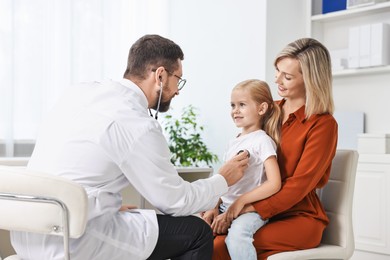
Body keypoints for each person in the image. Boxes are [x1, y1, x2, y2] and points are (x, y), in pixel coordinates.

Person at [10, 34, 250, 260]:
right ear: (160, 75)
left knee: (146, 223)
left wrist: (104, 206)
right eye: (178, 80)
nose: (177, 90)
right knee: (196, 232)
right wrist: (222, 180)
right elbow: (174, 201)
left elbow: (72, 168)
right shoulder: (136, 122)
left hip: (30, 231)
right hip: (74, 241)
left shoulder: (77, 93)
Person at [212, 37, 338, 259]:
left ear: (310, 80)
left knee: (221, 246)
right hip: (254, 211)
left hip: (298, 217)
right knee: (204, 237)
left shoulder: (322, 125)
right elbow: (243, 166)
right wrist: (217, 203)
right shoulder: (268, 110)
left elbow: (298, 187)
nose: (277, 80)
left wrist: (241, 208)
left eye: (287, 77)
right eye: (277, 71)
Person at [201, 79, 282, 260]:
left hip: (249, 211)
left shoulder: (262, 140)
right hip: (224, 207)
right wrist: (213, 207)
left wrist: (239, 204)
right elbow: (225, 183)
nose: (235, 110)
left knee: (237, 238)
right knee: (195, 230)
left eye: (242, 105)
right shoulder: (233, 142)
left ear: (261, 109)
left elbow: (275, 183)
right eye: (232, 105)